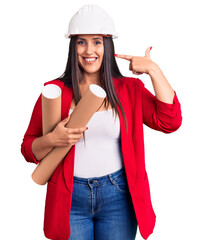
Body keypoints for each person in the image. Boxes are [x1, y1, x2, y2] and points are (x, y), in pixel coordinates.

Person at [21, 4, 182, 240]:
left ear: (107, 45)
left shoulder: (129, 90)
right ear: (72, 47)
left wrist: (153, 70)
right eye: (81, 42)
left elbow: (169, 121)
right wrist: (53, 139)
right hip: (69, 197)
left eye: (97, 41)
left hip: (118, 195)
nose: (89, 50)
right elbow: (28, 148)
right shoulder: (54, 92)